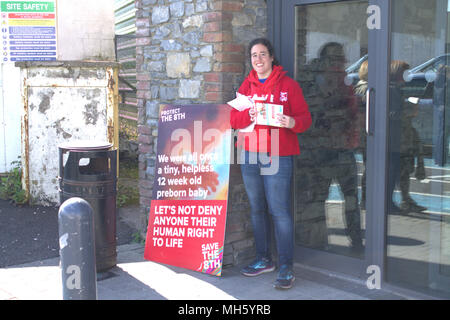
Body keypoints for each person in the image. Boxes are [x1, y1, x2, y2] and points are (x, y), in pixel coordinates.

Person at [230, 38, 312, 289]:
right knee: (256, 209)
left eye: (262, 54)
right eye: (254, 55)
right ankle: (263, 259)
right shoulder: (247, 85)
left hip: (277, 152)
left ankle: (286, 265)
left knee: (279, 210)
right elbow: (234, 119)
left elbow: (305, 119)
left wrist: (291, 122)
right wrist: (248, 114)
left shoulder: (288, 86)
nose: (258, 60)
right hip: (249, 154)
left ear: (272, 57)